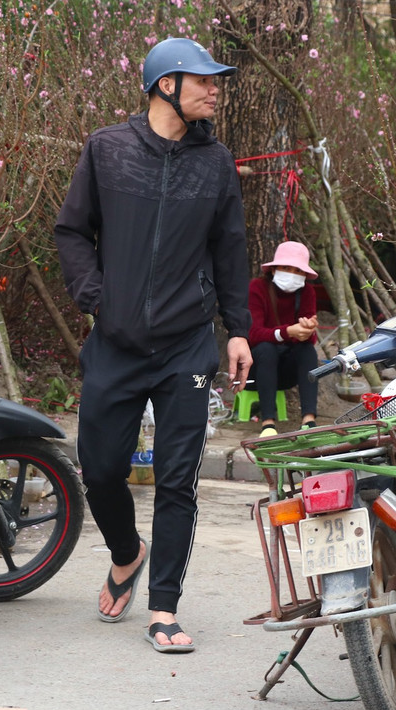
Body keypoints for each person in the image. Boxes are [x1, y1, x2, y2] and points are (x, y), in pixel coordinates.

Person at [55, 37, 253, 654]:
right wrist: (98, 299)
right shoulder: (107, 150)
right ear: (166, 84)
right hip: (114, 343)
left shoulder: (215, 162)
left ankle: (164, 608)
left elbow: (230, 249)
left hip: (185, 346)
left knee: (176, 480)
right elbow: (71, 232)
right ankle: (126, 551)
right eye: (204, 81)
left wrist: (238, 327)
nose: (214, 90)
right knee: (102, 468)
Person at [247, 241, 320, 437]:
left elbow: (308, 341)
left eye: (298, 270)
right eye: (286, 268)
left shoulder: (307, 292)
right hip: (256, 369)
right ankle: (268, 422)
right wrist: (288, 332)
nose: (292, 274)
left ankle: (309, 420)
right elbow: (253, 334)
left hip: (287, 372)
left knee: (308, 351)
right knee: (265, 348)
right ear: (274, 269)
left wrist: (308, 330)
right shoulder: (257, 287)